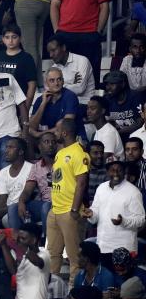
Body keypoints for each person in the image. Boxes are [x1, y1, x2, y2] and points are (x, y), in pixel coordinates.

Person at [47, 119, 89, 279]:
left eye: (57, 130)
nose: (54, 132)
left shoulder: (78, 152)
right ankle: (53, 289)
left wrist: (74, 210)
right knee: (53, 255)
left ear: (64, 133)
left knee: (74, 257)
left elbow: (82, 182)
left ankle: (74, 293)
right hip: (55, 210)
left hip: (69, 211)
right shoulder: (60, 153)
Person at [83, 159, 145, 254]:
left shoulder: (133, 192)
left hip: (125, 250)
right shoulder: (101, 188)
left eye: (119, 170)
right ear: (107, 172)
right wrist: (91, 214)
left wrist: (123, 221)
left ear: (124, 172)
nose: (116, 173)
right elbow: (95, 214)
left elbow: (141, 220)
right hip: (102, 246)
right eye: (112, 170)